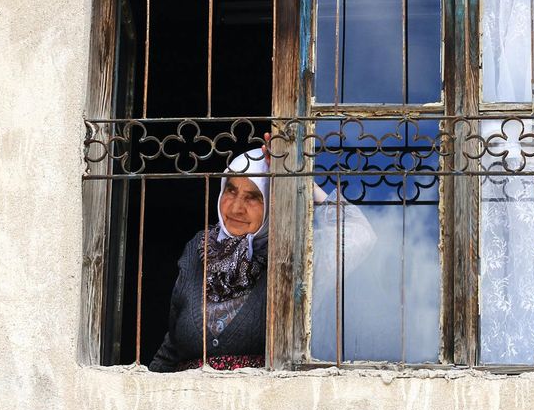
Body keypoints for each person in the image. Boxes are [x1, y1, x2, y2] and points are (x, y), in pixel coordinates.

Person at [149, 141, 376, 372]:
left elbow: (360, 234)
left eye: (253, 196)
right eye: (231, 190)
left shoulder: (294, 256)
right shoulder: (201, 248)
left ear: (272, 202)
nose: (236, 208)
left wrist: (298, 178)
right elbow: (173, 344)